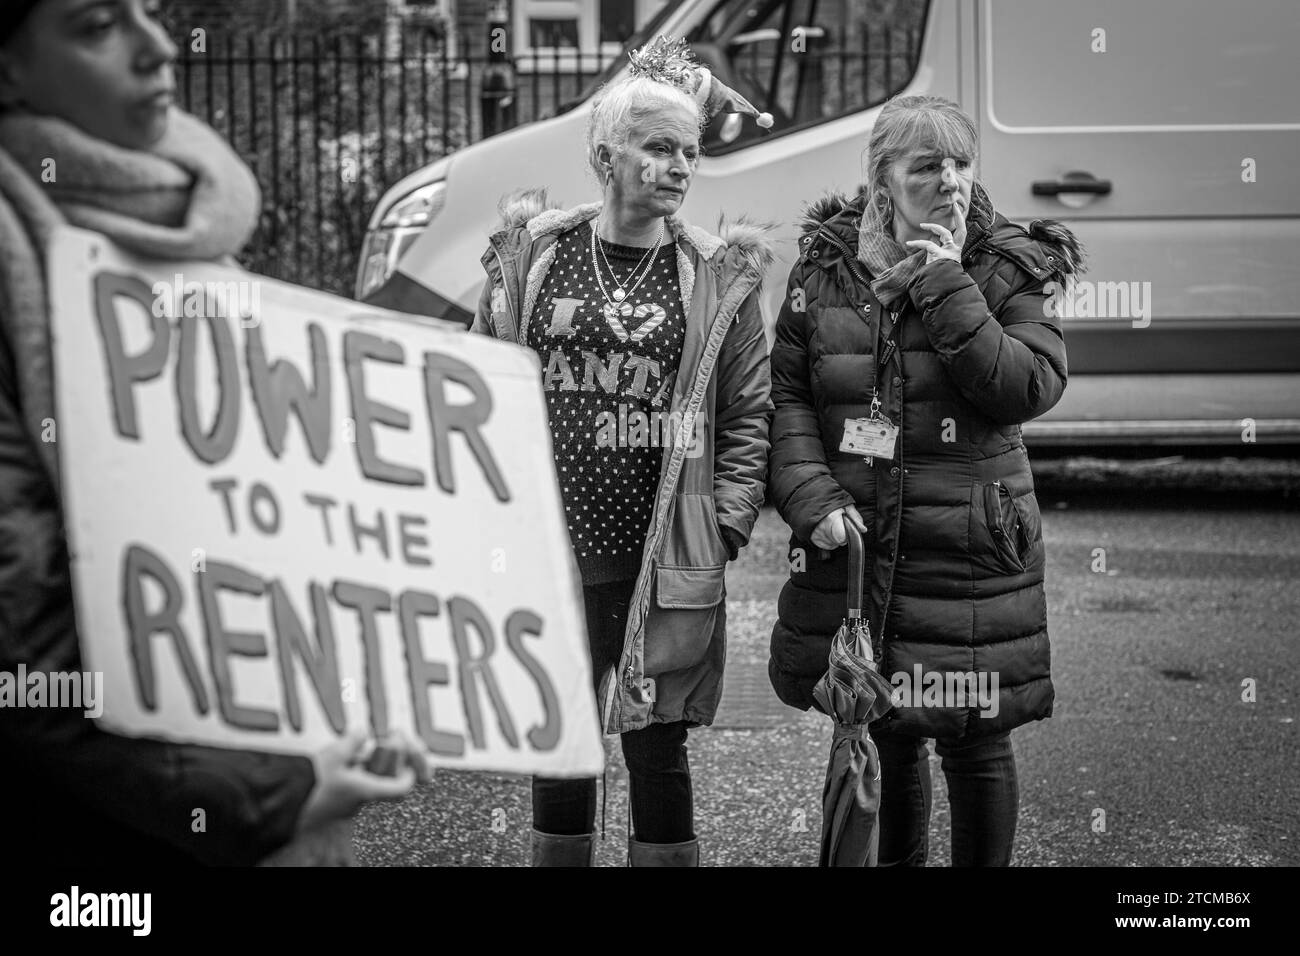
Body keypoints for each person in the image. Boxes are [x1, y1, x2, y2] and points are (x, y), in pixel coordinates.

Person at [0, 0, 429, 866]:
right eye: (95, 25)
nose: (158, 48)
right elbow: (22, 645)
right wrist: (275, 793)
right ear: (9, 67)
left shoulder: (173, 222)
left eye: (150, 13)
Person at [469, 36, 773, 867]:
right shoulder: (537, 257)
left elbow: (749, 415)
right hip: (552, 556)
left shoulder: (717, 277)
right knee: (561, 743)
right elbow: (478, 388)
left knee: (656, 746)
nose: (680, 167)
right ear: (607, 156)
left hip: (663, 558)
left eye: (691, 151)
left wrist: (726, 529)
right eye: (659, 148)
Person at [767, 94, 1084, 866]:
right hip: (866, 542)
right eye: (926, 166)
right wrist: (812, 493)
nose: (950, 181)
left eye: (961, 164)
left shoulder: (1004, 264)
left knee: (976, 740)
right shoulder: (827, 266)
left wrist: (944, 283)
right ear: (882, 181)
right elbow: (789, 396)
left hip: (969, 541)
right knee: (890, 730)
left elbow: (1026, 387)